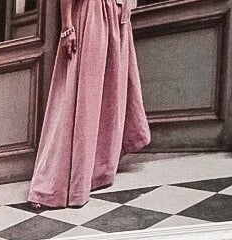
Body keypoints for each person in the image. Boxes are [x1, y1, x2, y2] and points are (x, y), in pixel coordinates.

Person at [27, 0, 151, 209]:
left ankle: (96, 171)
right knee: (82, 95)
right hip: (91, 14)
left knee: (109, 93)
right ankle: (53, 185)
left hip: (116, 16)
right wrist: (67, 26)